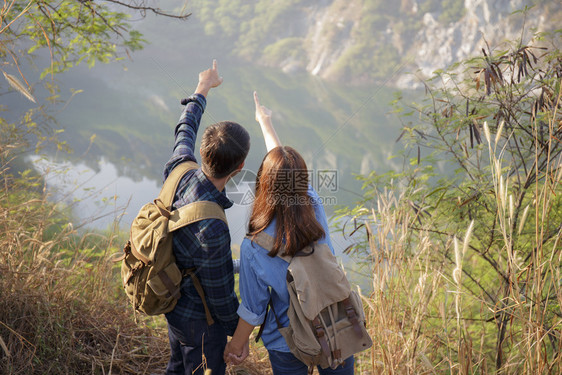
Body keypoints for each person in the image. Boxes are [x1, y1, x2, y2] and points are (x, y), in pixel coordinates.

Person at [223, 92, 355, 374]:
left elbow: (254, 310)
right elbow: (287, 176)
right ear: (301, 179)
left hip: (288, 341)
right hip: (336, 325)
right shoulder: (313, 204)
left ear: (263, 184)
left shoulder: (254, 246)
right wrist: (266, 123)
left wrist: (236, 345)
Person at [163, 60, 250, 375]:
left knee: (177, 364)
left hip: (171, 301)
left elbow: (184, 128)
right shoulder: (212, 227)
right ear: (239, 167)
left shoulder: (179, 169)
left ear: (202, 151)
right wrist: (238, 337)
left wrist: (203, 87)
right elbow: (221, 295)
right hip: (200, 321)